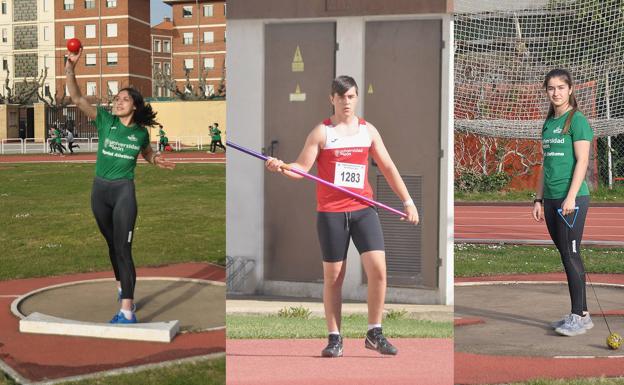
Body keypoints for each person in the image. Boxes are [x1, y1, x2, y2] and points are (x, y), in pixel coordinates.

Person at [265, 76, 419, 357]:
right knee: (334, 278)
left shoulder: (368, 131)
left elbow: (387, 166)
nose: (346, 102)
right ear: (331, 99)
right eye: (341, 97)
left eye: (351, 97)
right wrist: (280, 167)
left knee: (379, 270)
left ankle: (374, 332)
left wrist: (408, 201)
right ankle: (334, 337)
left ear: (357, 98)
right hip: (331, 214)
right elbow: (301, 168)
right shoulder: (321, 133)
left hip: (363, 210)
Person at [65, 46, 175, 324]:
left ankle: (127, 308)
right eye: (116, 98)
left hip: (123, 192)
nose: (117, 101)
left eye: (124, 99)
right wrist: (70, 66)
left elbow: (147, 153)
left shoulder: (140, 133)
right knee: (111, 245)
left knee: (123, 248)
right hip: (99, 191)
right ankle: (121, 284)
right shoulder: (105, 120)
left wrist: (155, 159)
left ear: (134, 105)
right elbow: (76, 97)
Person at [532, 68, 594, 337]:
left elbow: (582, 161)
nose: (555, 92)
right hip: (551, 199)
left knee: (571, 255)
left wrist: (570, 197)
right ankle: (582, 312)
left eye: (560, 87)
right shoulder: (548, 124)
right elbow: (546, 164)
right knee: (567, 255)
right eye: (551, 88)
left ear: (570, 89)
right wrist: (538, 198)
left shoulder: (577, 120)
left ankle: (578, 316)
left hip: (572, 199)